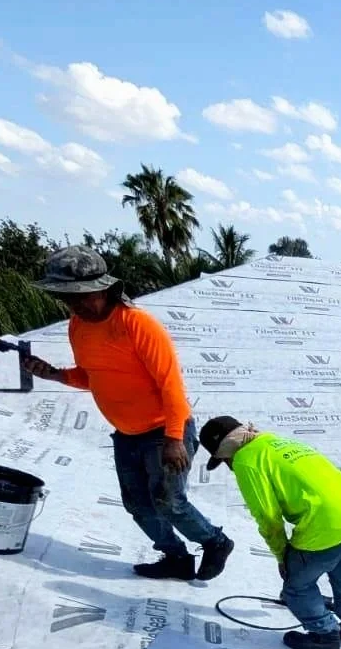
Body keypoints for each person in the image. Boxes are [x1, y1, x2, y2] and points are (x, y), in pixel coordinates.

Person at [24, 246, 234, 581]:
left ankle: (215, 541)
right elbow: (91, 375)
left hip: (164, 432)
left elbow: (172, 388)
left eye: (82, 296)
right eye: (68, 298)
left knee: (169, 501)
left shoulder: (137, 324)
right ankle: (176, 558)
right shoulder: (77, 326)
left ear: (105, 290)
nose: (76, 305)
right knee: (139, 506)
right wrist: (54, 374)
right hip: (126, 436)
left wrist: (174, 438)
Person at [200, 416, 341, 649]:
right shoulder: (278, 441)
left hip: (326, 524)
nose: (228, 466)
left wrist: (282, 556)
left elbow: (267, 517)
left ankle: (325, 636)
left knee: (296, 587)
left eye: (223, 461)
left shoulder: (246, 460)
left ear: (225, 452)